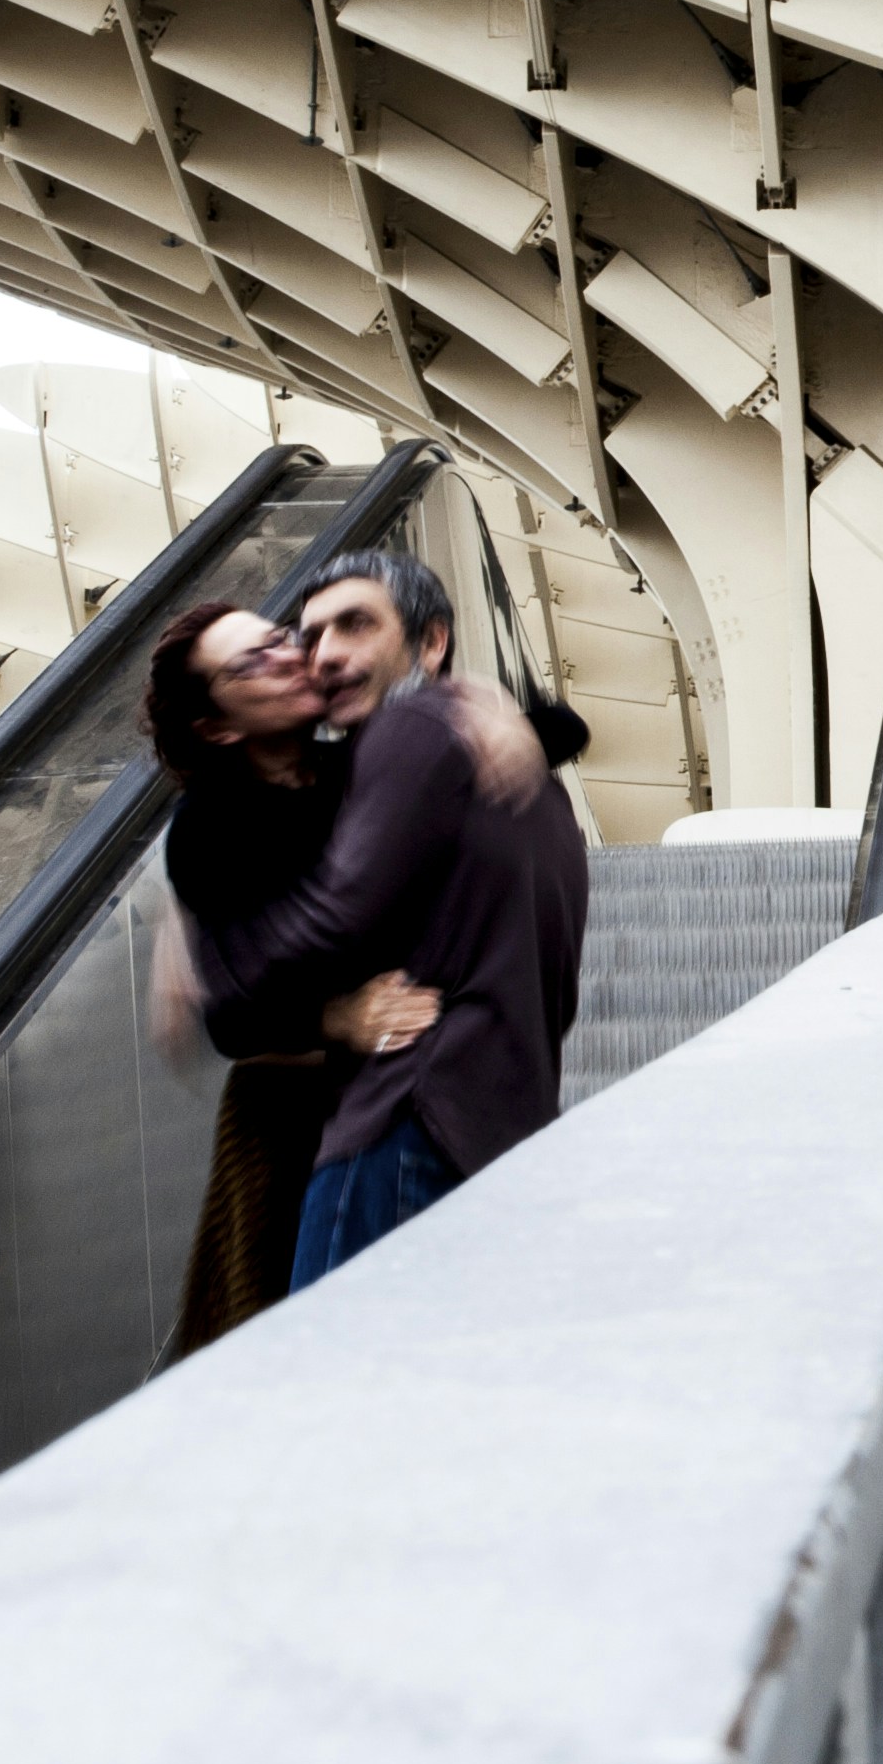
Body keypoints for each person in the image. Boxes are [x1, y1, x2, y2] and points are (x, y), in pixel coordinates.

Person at [184, 552, 591, 1289]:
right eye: (308, 636)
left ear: (431, 643)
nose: (322, 654)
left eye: (355, 624)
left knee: (334, 1387)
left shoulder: (406, 736)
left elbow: (331, 922)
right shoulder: (520, 780)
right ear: (213, 724)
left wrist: (220, 976)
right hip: (488, 1128)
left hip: (406, 1118)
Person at [138, 602, 377, 1363]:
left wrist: (482, 708)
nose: (286, 655)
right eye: (251, 662)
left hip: (404, 1096)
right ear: (217, 725)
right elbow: (235, 1021)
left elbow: (554, 732)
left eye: (279, 639)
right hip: (291, 1128)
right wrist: (337, 1017)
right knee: (288, 1360)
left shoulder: (367, 768)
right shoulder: (212, 825)